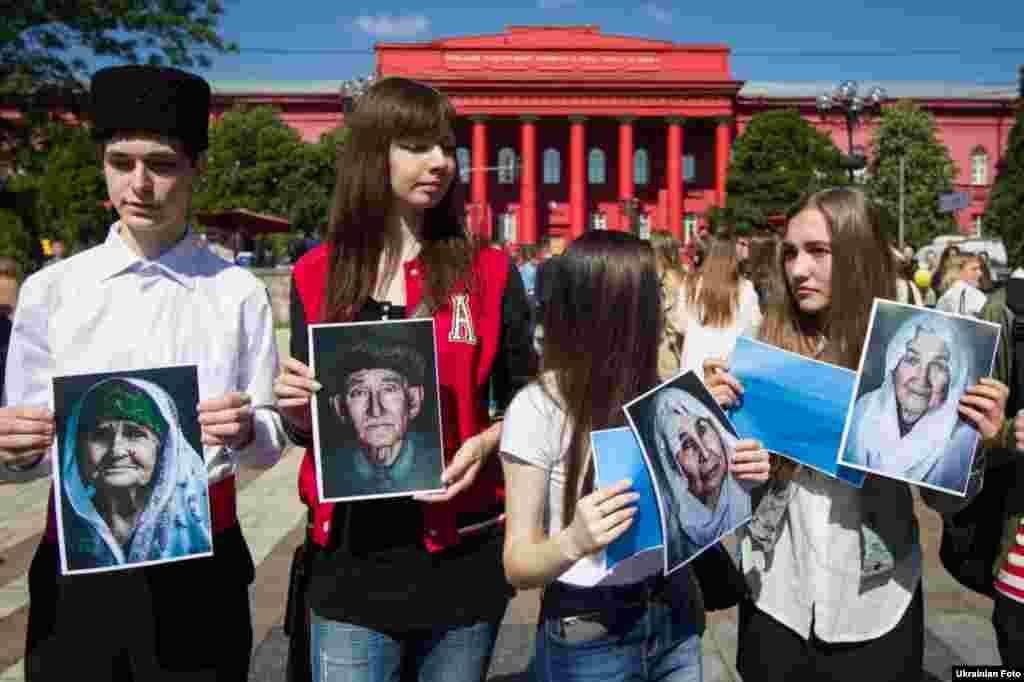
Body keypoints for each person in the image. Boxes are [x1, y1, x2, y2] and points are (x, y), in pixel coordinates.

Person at [0, 64, 286, 680]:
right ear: (103, 164)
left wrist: (247, 430)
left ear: (196, 168)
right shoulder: (52, 290)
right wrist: (16, 449)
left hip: (200, 568)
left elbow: (270, 439)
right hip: (78, 569)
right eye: (121, 162)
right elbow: (27, 450)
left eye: (161, 164)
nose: (140, 184)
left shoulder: (236, 292)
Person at [272, 76, 532, 682]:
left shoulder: (490, 271)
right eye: (416, 146)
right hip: (351, 559)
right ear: (373, 153)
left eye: (447, 147)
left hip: (461, 551)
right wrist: (295, 413)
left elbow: (529, 396)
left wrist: (487, 442)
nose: (440, 161)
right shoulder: (316, 274)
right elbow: (310, 428)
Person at [704, 187, 1007, 682]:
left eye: (818, 251)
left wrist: (973, 447)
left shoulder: (909, 355)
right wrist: (717, 430)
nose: (798, 269)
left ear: (857, 254)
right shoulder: (763, 348)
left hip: (877, 603)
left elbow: (943, 503)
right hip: (776, 598)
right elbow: (730, 490)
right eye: (790, 253)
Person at [500, 230, 772, 682]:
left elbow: (690, 510)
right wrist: (573, 541)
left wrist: (737, 474)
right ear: (617, 306)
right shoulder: (537, 408)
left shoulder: (664, 393)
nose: (665, 306)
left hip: (675, 611)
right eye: (655, 293)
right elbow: (517, 562)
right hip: (590, 629)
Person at [60, 377, 211, 571]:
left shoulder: (196, 522)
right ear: (79, 449)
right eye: (100, 435)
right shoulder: (65, 526)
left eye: (134, 434)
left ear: (163, 449)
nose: (116, 451)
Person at [842, 312, 980, 492]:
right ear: (895, 363)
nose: (922, 378)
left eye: (938, 366)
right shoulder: (866, 407)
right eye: (912, 359)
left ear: (954, 380)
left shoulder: (961, 439)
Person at [319, 340, 442, 499]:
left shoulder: (439, 465)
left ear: (413, 400)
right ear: (339, 408)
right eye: (359, 393)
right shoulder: (329, 476)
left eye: (389, 389)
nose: (376, 411)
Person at [645, 387, 750, 568]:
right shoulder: (672, 544)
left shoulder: (752, 484)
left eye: (702, 430)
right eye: (686, 445)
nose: (705, 454)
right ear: (671, 466)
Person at [674, 236, 763, 377]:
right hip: (726, 370)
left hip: (692, 368)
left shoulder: (690, 283)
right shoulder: (746, 288)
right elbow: (753, 330)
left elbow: (680, 325)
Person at [650, 230, 686, 379]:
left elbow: (670, 319)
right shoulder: (682, 275)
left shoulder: (669, 280)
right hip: (675, 352)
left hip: (668, 353)